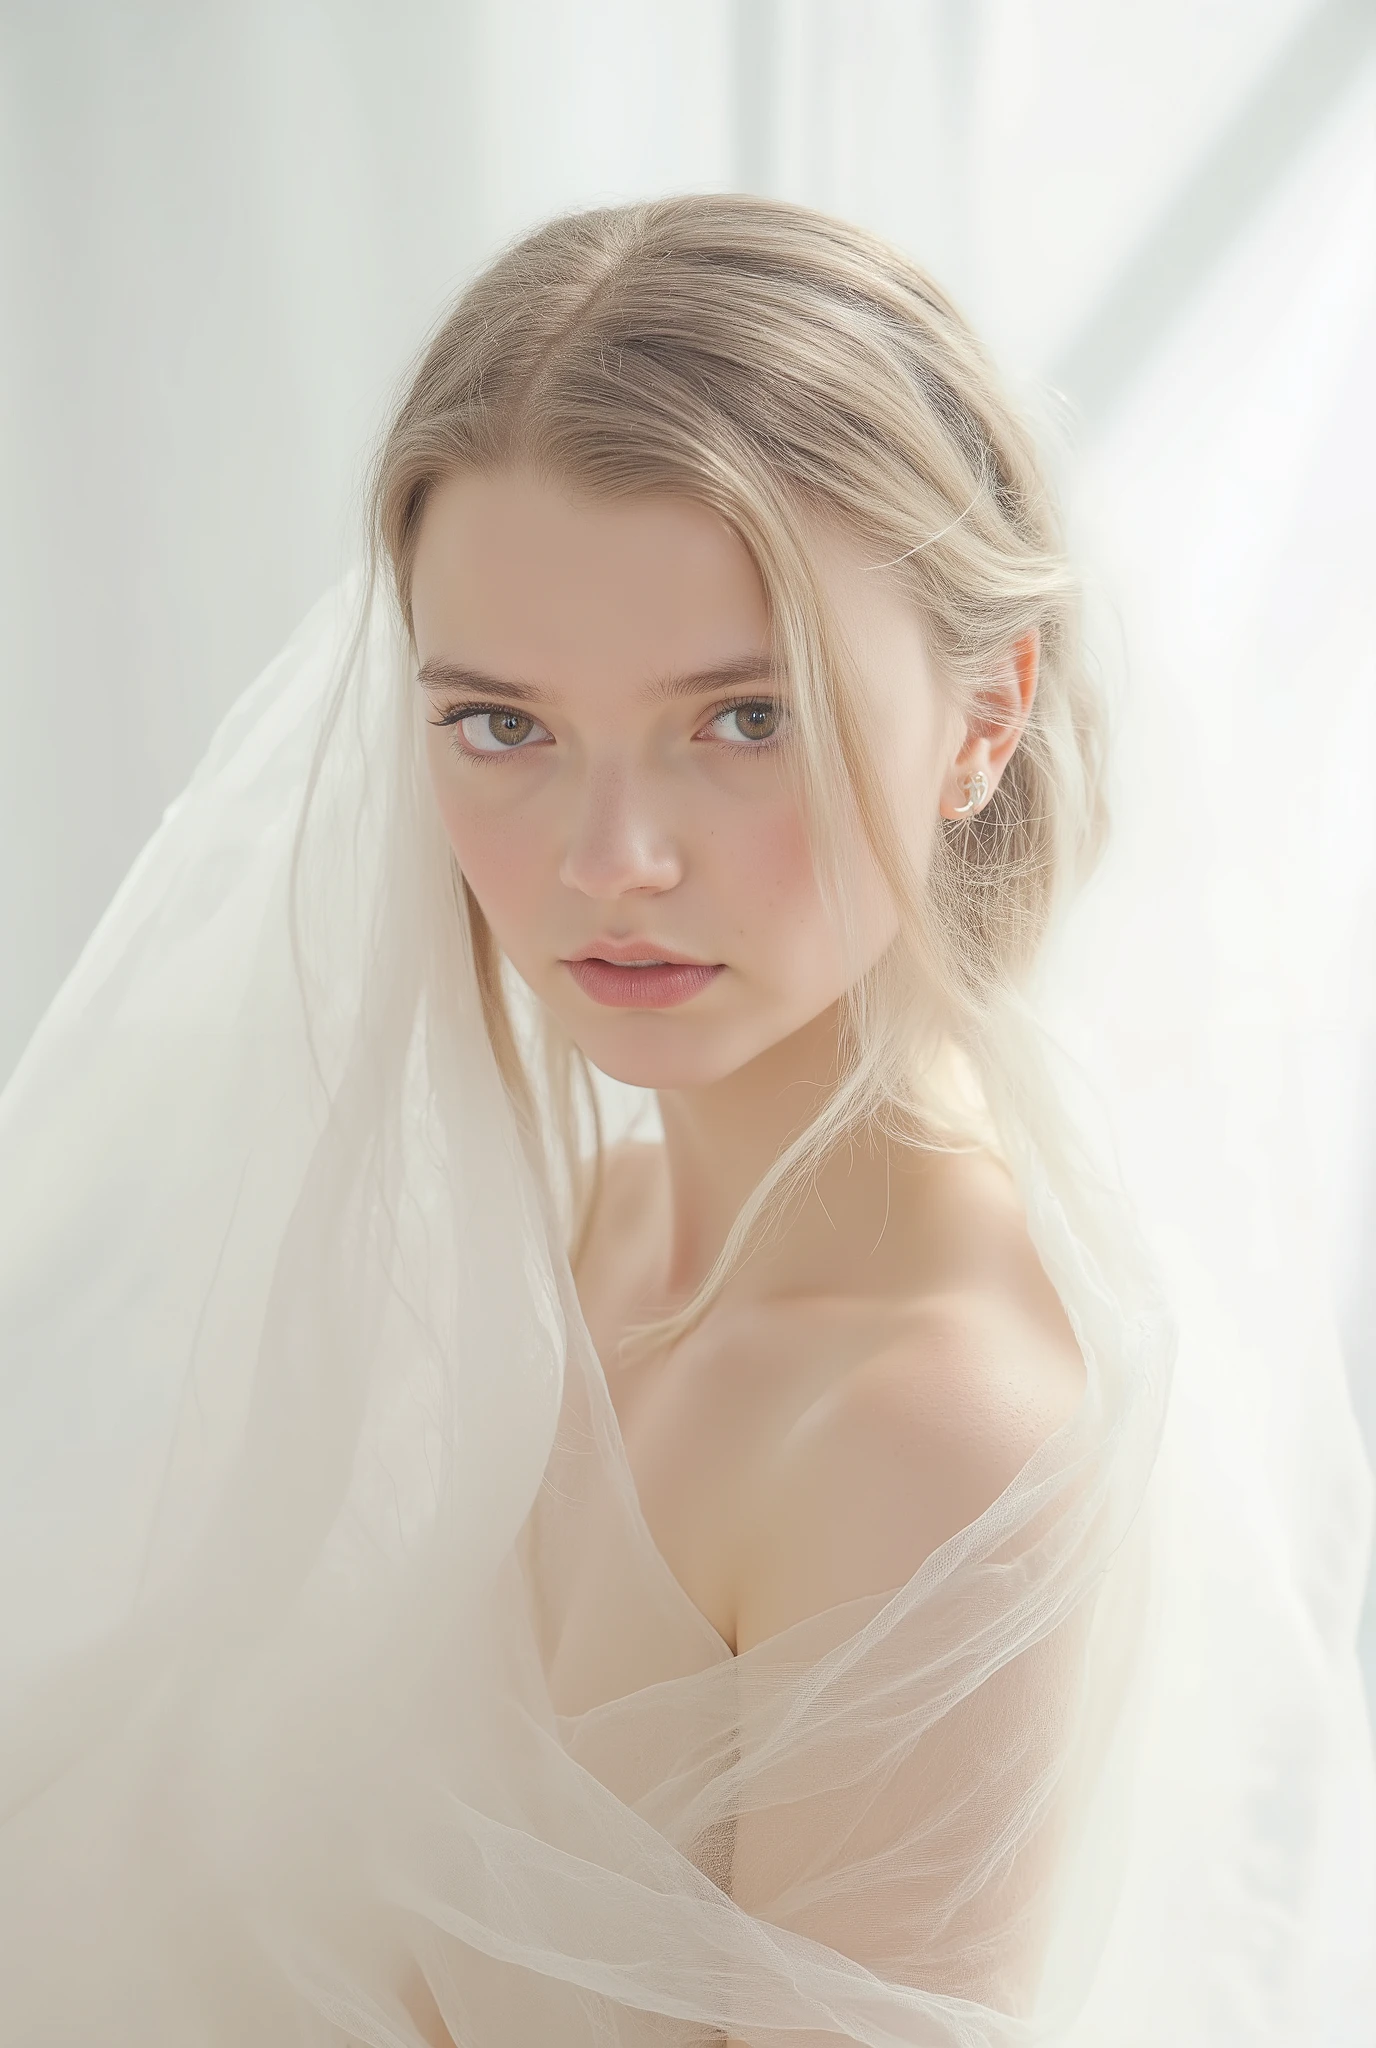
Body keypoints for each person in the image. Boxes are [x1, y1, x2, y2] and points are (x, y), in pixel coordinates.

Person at [0, 194, 1370, 2046]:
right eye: (501, 726)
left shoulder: (926, 1427)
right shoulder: (606, 1228)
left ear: (986, 716)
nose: (608, 864)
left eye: (744, 719)